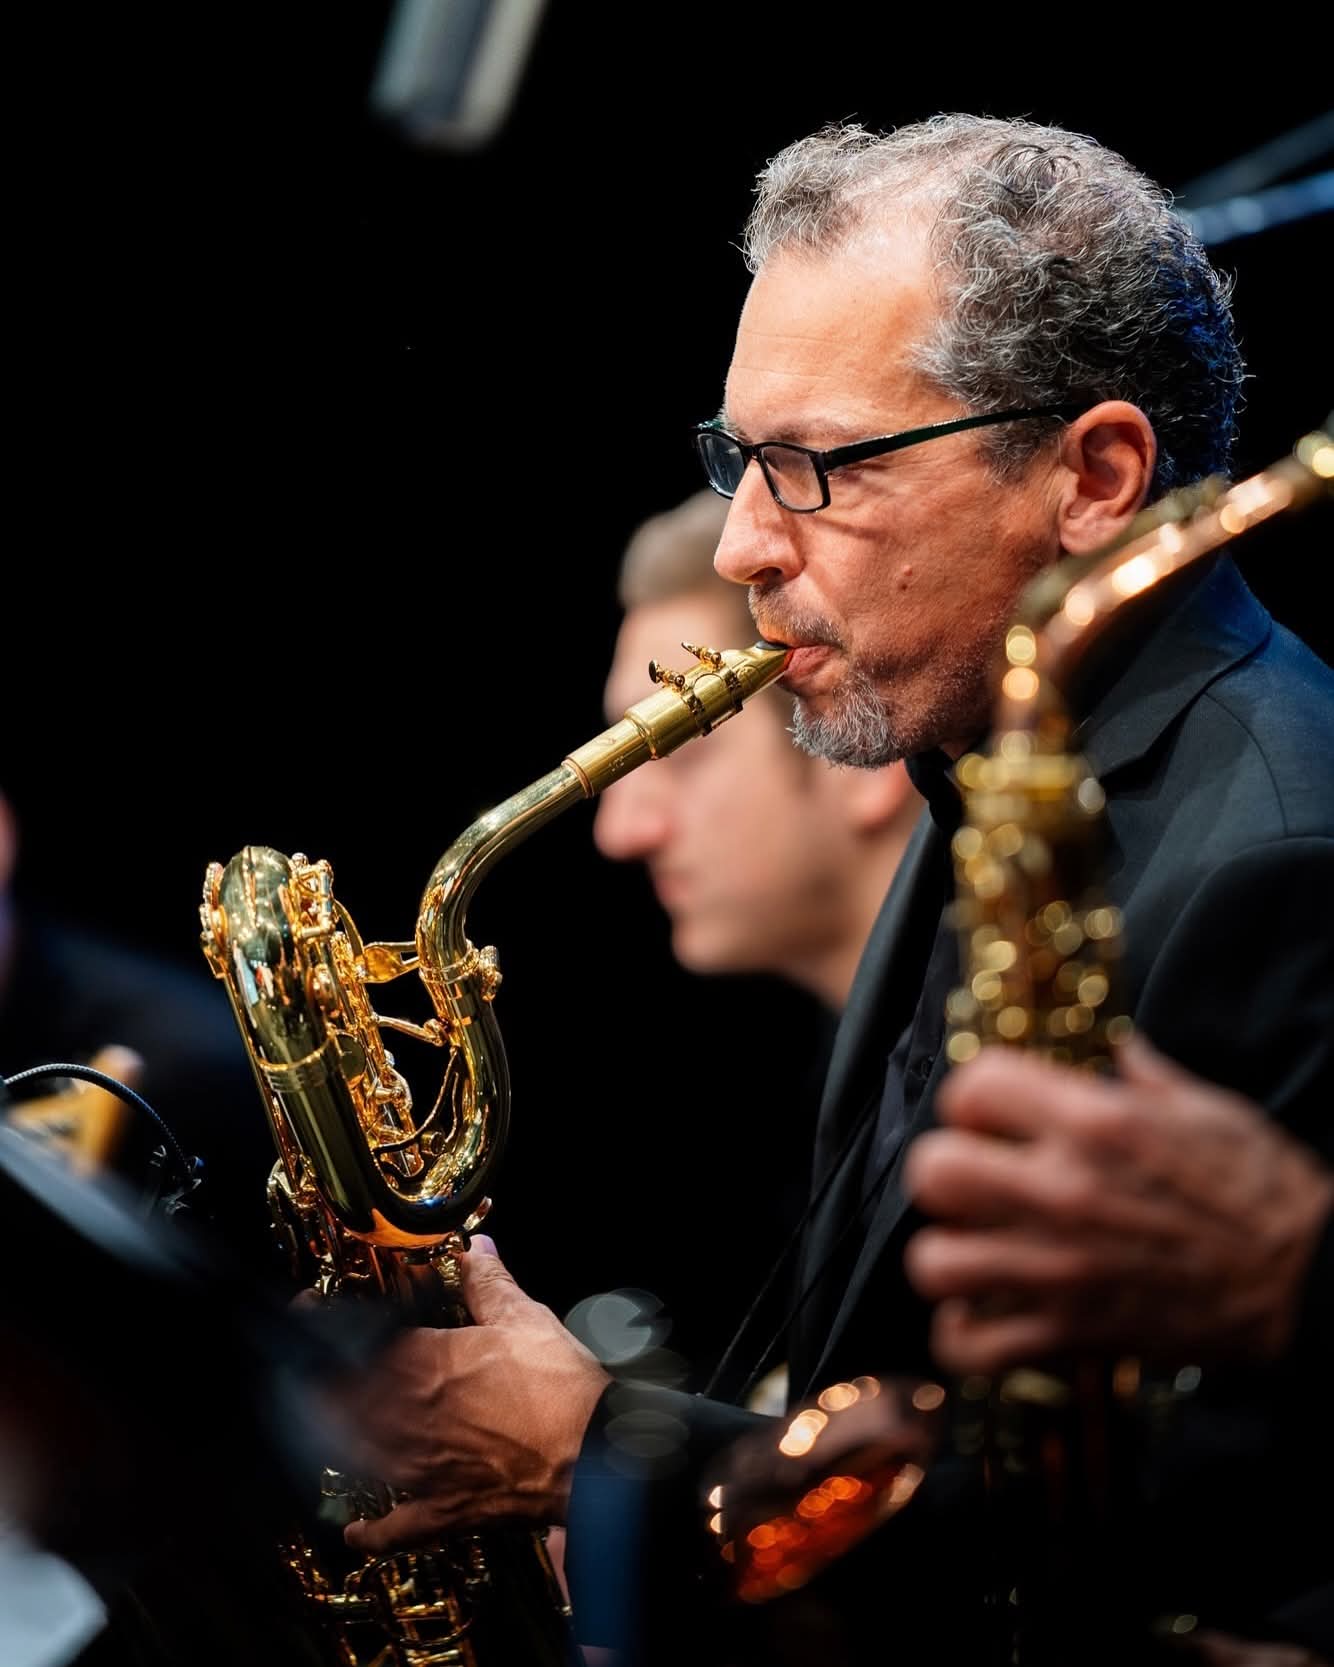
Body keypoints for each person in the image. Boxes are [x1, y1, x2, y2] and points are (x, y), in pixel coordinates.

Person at [318, 115, 1334, 1664]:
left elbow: (1125, 1563)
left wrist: (601, 1456)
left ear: (1094, 476)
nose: (741, 546)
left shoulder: (1280, 862)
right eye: (738, 459)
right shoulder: (989, 750)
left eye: (811, 468)